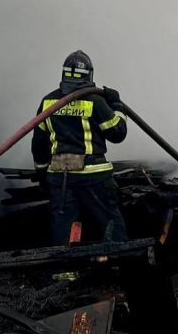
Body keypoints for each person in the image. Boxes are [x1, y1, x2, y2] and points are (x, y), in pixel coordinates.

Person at [31, 50, 128, 245]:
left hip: (61, 176)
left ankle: (66, 272)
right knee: (109, 221)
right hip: (94, 175)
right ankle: (118, 263)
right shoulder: (96, 101)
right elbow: (118, 133)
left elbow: (39, 144)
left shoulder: (48, 101)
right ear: (89, 75)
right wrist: (117, 106)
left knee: (64, 225)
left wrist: (42, 174)